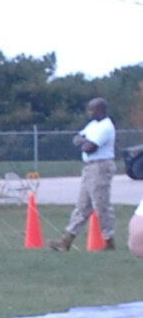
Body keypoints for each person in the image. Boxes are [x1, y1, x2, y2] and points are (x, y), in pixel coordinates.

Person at [51, 97, 117, 250]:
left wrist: (84, 142)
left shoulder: (106, 126)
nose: (89, 113)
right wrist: (83, 141)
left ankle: (109, 241)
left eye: (91, 109)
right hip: (89, 167)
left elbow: (90, 148)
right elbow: (77, 138)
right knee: (82, 206)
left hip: (100, 166)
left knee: (101, 205)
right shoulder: (93, 125)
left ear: (100, 110)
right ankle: (66, 241)